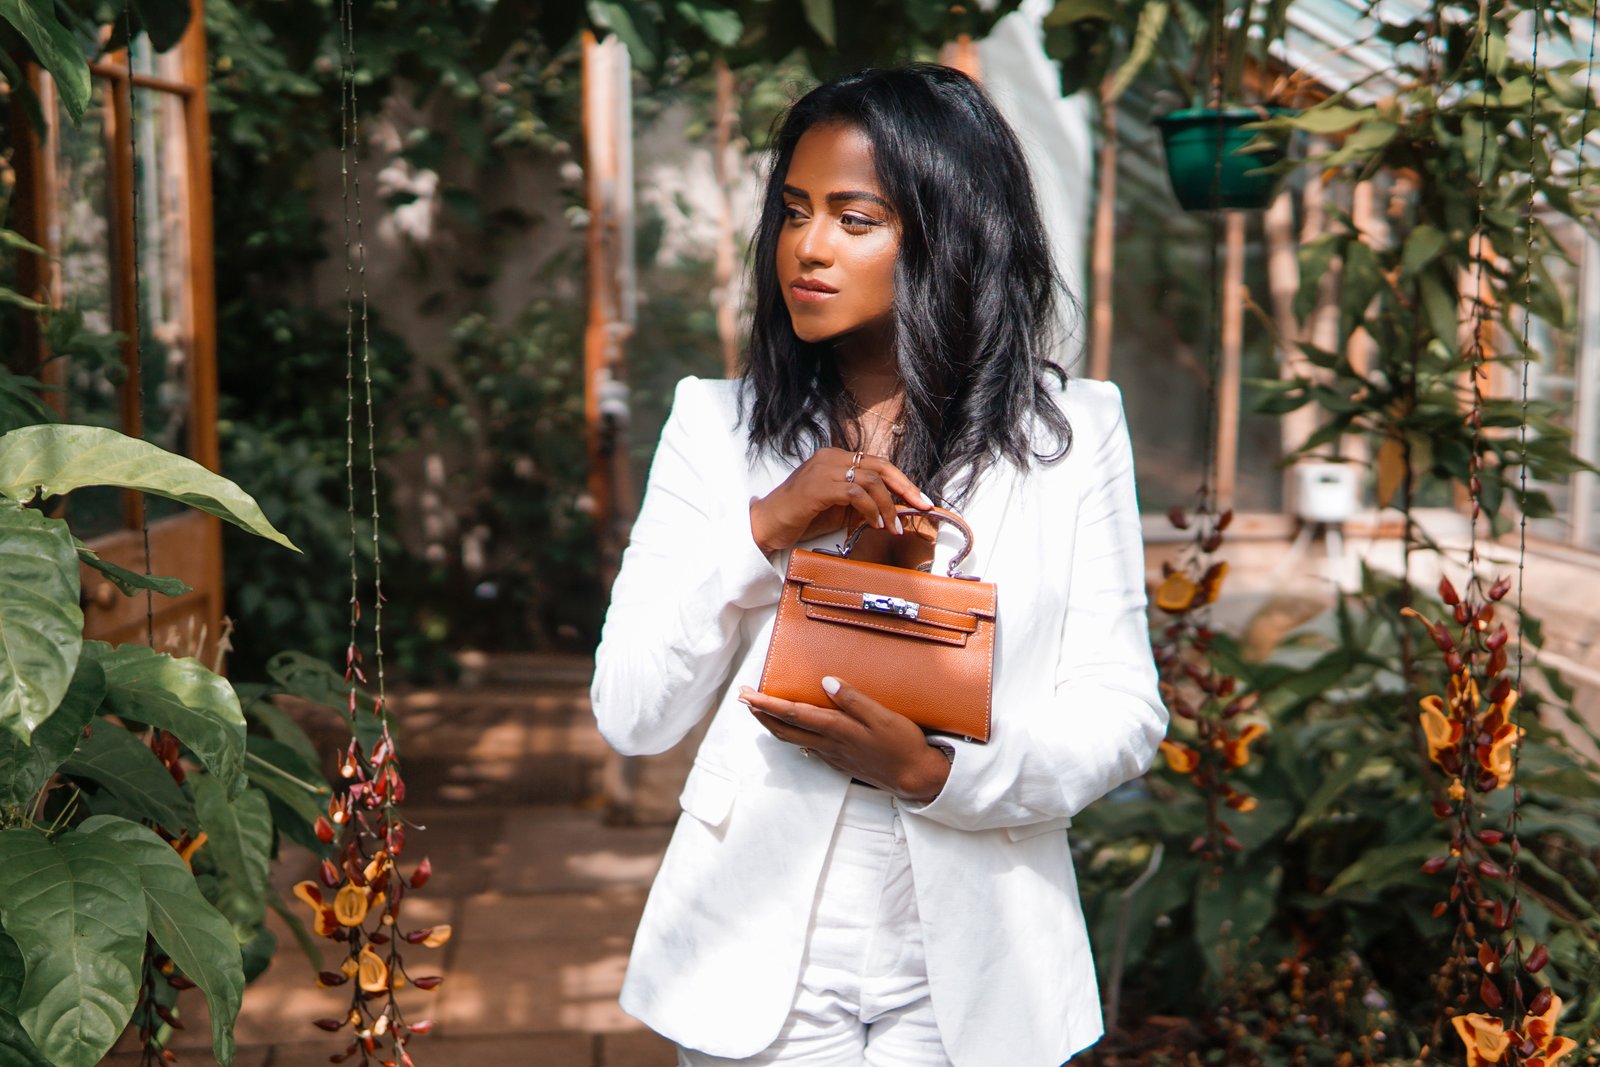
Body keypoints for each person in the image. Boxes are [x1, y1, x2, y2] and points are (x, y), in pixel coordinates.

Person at [590, 64, 1166, 1067]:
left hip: (977, 958)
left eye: (855, 219)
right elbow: (633, 713)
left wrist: (937, 772)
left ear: (948, 235)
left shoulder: (1074, 434)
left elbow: (1121, 707)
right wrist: (764, 528)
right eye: (795, 211)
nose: (807, 248)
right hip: (758, 951)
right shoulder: (715, 429)